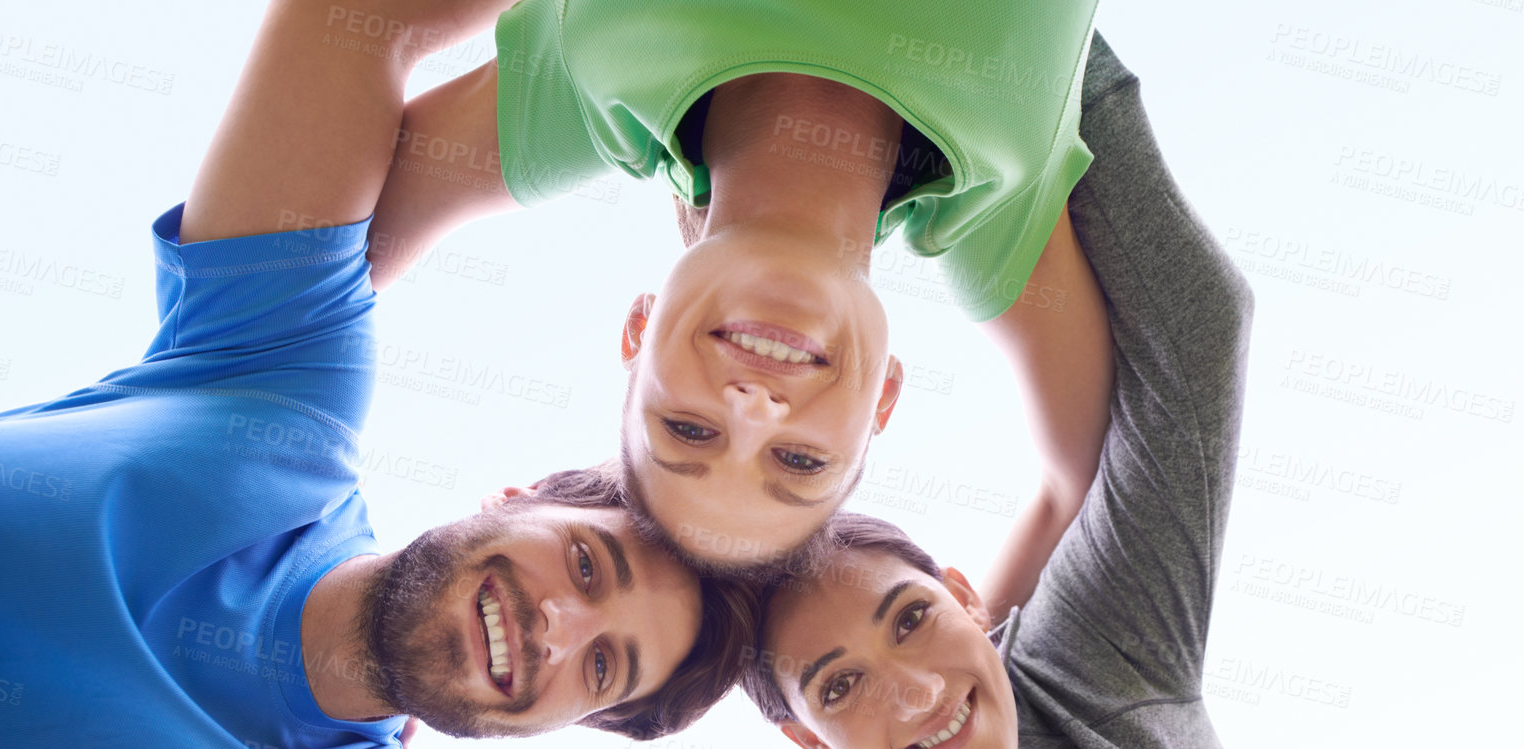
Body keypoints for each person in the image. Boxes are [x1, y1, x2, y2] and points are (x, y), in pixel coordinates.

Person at [510, 38, 1504, 749]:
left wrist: (1056, 56)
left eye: (909, 620)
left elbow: (1199, 331)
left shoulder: (1096, 659)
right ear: (812, 740)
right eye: (838, 685)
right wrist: (377, 692)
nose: (918, 689)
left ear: (963, 594)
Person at [0, 2, 859, 749]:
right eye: (588, 567)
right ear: (514, 498)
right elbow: (349, 22)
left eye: (603, 668)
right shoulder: (277, 390)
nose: (559, 628)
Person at [362, 0, 1119, 608]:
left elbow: (304, 255)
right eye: (798, 460)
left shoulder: (604, 77)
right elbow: (1075, 482)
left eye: (688, 429)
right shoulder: (992, 195)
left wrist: (395, 610)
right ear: (884, 394)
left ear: (637, 331)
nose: (754, 408)